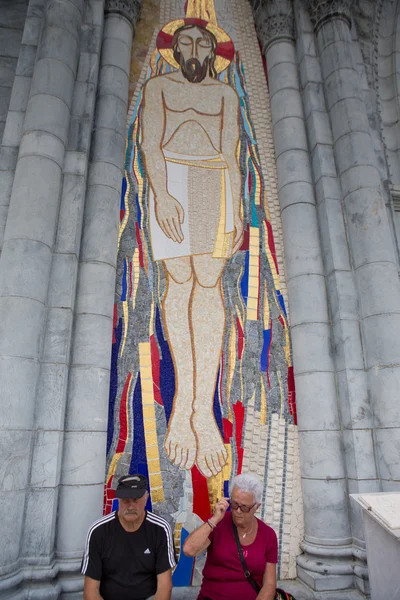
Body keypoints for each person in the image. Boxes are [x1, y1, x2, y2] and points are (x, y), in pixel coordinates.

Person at [141, 20, 243, 479]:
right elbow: (149, 144)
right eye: (186, 42)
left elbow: (232, 149)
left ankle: (204, 412)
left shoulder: (225, 96)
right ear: (173, 49)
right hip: (173, 183)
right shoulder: (159, 86)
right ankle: (183, 405)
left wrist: (237, 207)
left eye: (204, 42)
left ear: (213, 51)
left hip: (214, 181)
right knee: (180, 282)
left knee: (210, 283)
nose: (195, 48)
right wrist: (161, 194)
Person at [183, 474, 278, 600]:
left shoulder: (268, 535)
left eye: (244, 507)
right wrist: (214, 519)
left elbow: (269, 584)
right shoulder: (217, 524)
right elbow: (189, 550)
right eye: (234, 505)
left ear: (256, 507)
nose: (238, 511)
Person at [81, 474, 176, 600]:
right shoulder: (98, 531)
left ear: (146, 498)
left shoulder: (160, 529)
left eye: (136, 500)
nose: (130, 507)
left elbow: (165, 586)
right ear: (118, 500)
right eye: (126, 501)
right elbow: (90, 590)